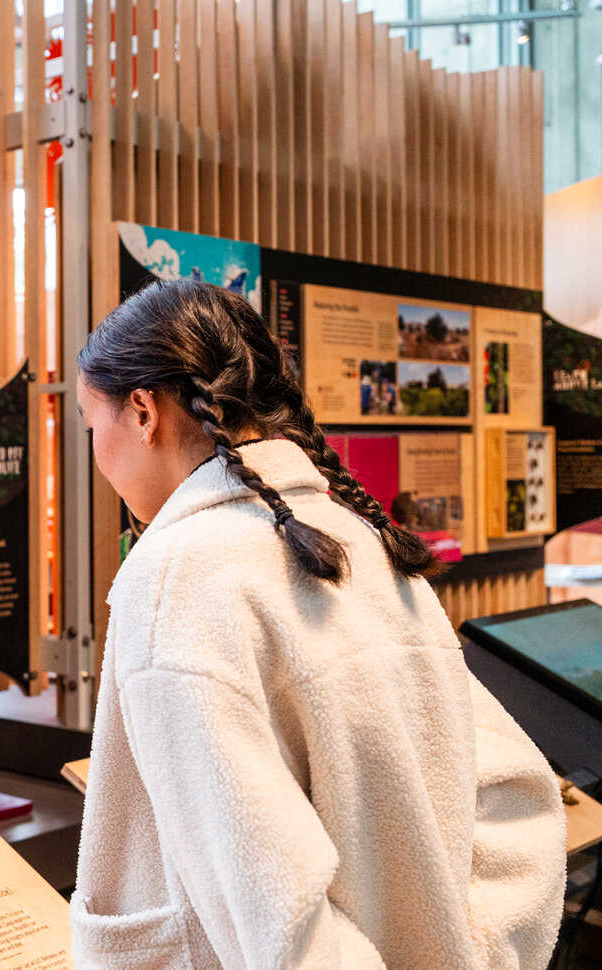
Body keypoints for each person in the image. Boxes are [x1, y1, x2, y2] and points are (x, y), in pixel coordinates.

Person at [70, 279, 564, 970]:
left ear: (144, 412)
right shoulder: (362, 538)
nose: (98, 454)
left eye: (95, 425)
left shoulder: (177, 577)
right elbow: (518, 795)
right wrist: (473, 952)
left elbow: (272, 915)